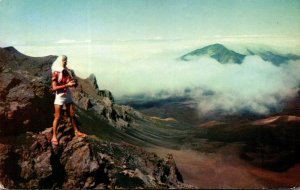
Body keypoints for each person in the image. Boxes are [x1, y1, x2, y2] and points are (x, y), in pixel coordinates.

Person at [51, 55, 87, 145]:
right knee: (58, 117)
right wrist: (67, 85)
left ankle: (76, 131)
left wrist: (72, 82)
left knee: (72, 114)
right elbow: (54, 87)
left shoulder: (66, 71)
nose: (66, 62)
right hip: (59, 95)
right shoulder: (56, 72)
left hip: (67, 94)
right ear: (60, 61)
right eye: (64, 61)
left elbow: (69, 81)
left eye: (66, 60)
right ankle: (54, 136)